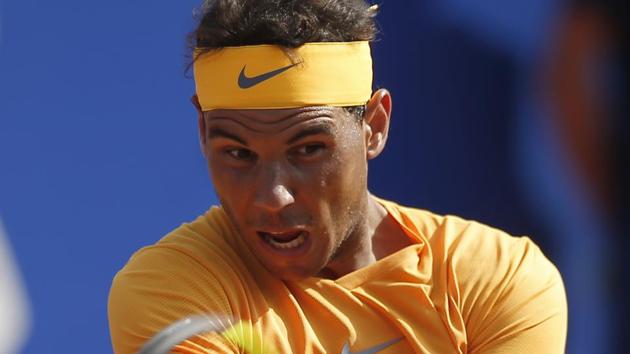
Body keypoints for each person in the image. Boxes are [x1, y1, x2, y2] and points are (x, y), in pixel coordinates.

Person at [108, 1, 567, 353]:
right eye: (238, 153)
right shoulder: (169, 288)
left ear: (374, 126)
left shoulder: (497, 277)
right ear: (204, 132)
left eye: (309, 149)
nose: (273, 197)